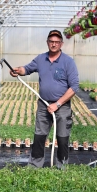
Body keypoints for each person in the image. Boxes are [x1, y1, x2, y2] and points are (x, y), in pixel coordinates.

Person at [9, 30, 79, 169]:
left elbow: (74, 87)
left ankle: (61, 167)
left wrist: (57, 104)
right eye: (51, 41)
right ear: (47, 42)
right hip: (44, 104)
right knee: (39, 136)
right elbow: (27, 69)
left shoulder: (68, 62)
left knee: (62, 137)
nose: (54, 44)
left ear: (61, 44)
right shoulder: (41, 59)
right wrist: (18, 70)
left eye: (57, 42)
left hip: (62, 106)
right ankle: (35, 165)